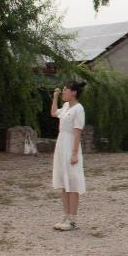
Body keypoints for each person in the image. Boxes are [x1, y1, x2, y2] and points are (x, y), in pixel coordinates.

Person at [51, 81, 87, 231]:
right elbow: (54, 113)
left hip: (71, 145)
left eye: (66, 90)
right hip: (61, 144)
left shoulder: (79, 109)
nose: (63, 92)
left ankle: (72, 220)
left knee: (72, 183)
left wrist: (74, 154)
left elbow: (77, 132)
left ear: (74, 92)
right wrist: (55, 97)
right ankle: (65, 216)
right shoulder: (66, 106)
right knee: (64, 183)